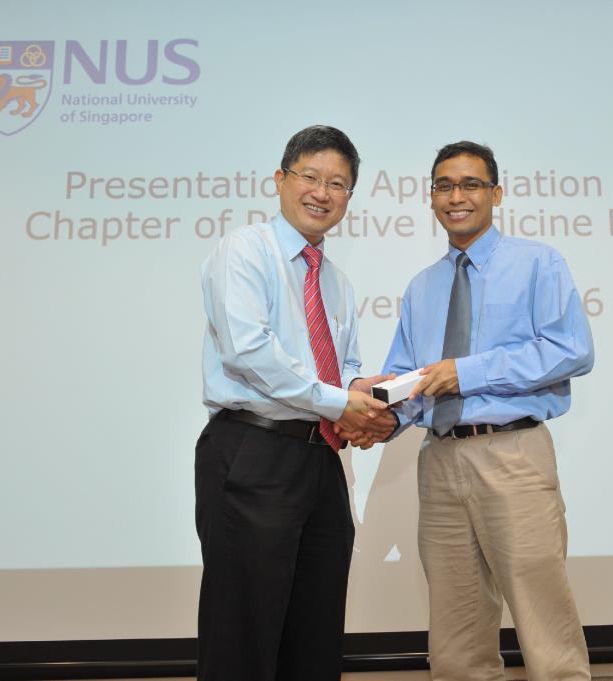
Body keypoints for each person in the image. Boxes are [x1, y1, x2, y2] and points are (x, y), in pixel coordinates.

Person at [381, 141, 595, 681]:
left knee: (545, 628)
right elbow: (409, 381)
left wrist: (468, 372)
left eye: (470, 184)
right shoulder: (421, 287)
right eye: (444, 186)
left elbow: (571, 349)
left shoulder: (538, 263)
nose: (456, 196)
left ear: (496, 194)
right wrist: (376, 416)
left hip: (512, 455)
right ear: (432, 197)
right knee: (456, 636)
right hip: (440, 461)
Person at [194, 124, 395, 681]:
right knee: (244, 633)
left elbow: (345, 365)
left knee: (315, 631)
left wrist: (363, 398)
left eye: (338, 183)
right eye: (310, 176)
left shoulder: (337, 281)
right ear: (280, 179)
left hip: (321, 460)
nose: (322, 193)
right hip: (253, 449)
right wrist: (338, 402)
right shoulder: (244, 249)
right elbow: (248, 351)